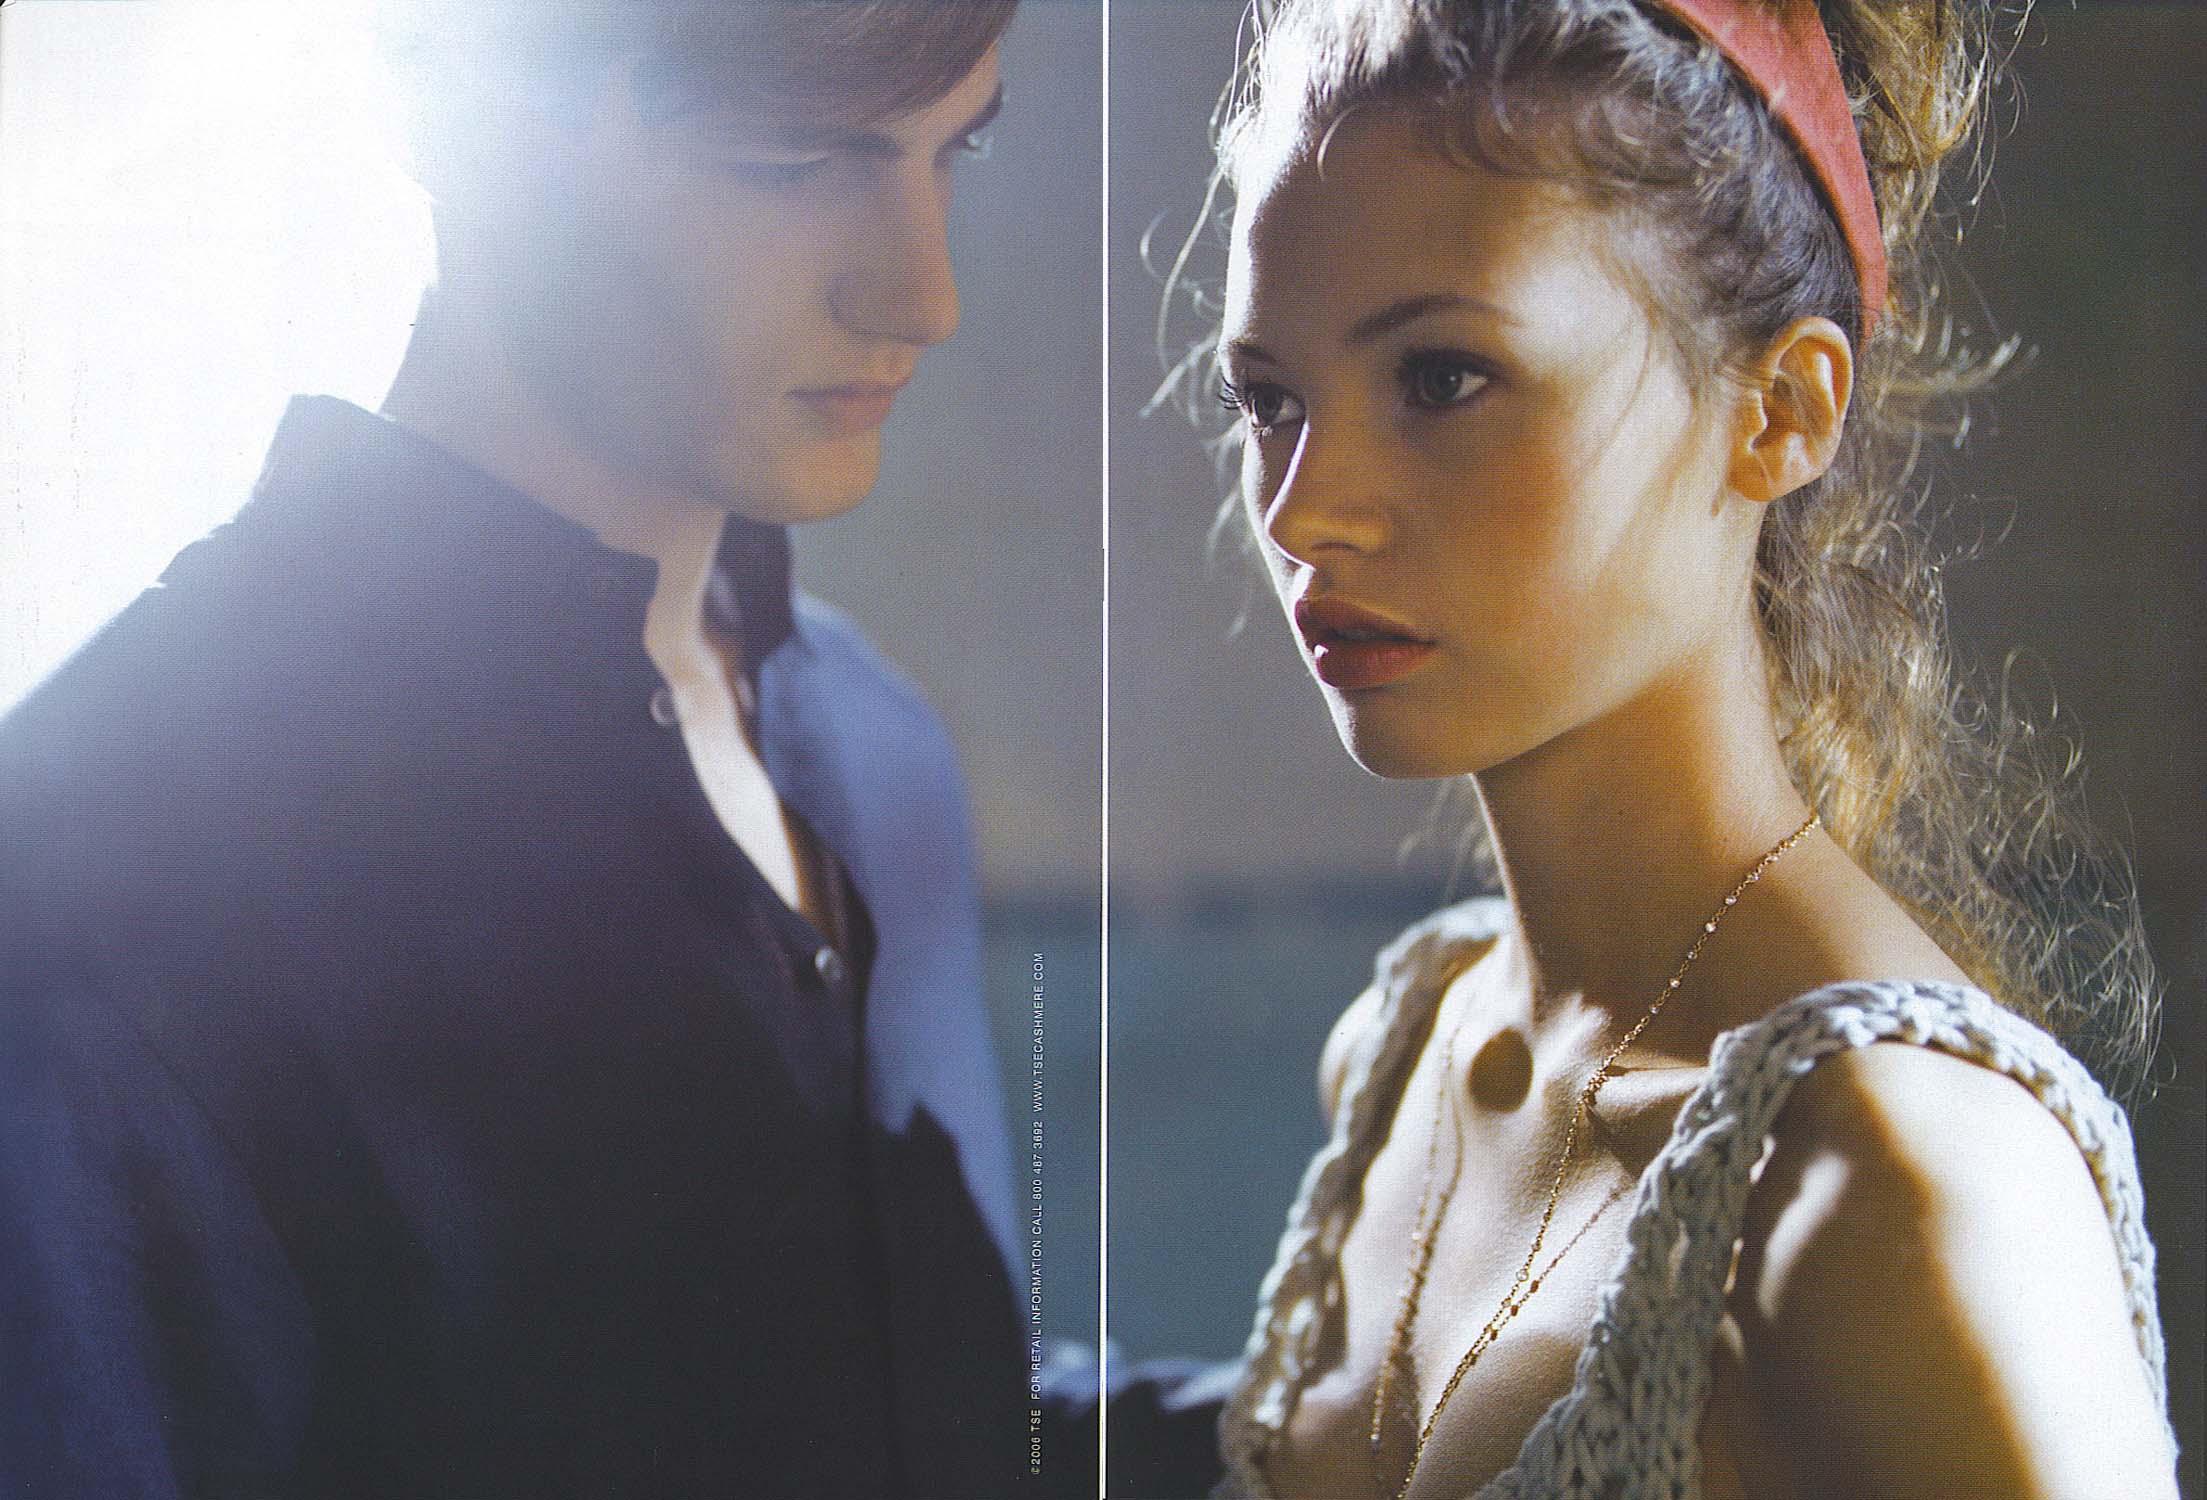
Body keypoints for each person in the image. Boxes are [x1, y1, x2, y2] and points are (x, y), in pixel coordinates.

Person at [0, 3, 1097, 1495]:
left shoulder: (866, 739)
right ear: (460, 116)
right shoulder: (99, 873)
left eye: (953, 152)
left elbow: (927, 1419)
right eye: (791, 165)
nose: (925, 294)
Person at [1185, 0, 2181, 1494]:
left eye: (1442, 377)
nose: (1303, 512)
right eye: (1270, 401)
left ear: (1781, 412)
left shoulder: (1900, 1178)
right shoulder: (1410, 1051)